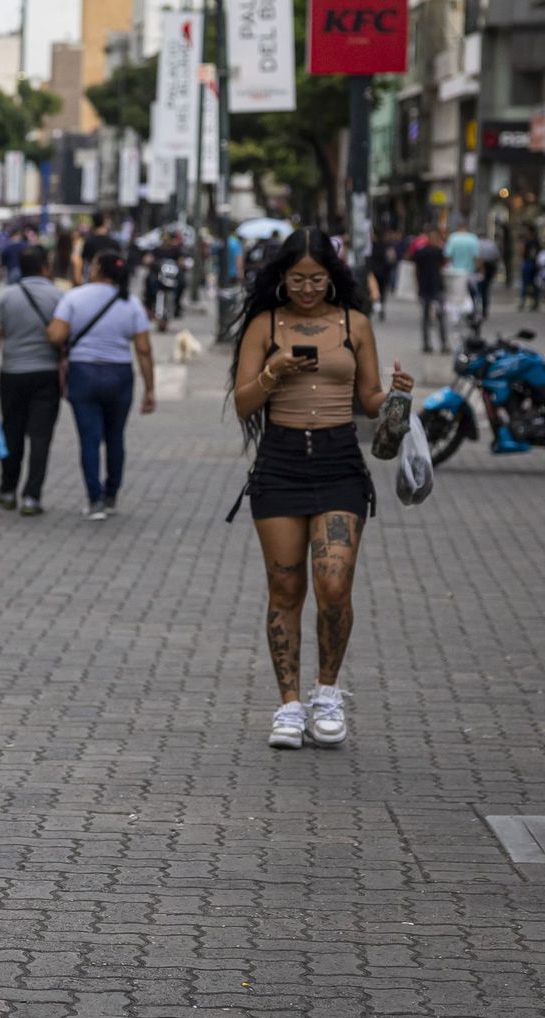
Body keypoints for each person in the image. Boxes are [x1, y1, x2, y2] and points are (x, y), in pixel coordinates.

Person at [226, 226, 414, 750]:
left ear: (332, 278)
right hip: (280, 465)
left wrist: (395, 398)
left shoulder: (355, 324)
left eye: (316, 279)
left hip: (338, 465)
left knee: (333, 587)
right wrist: (273, 372)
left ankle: (326, 692)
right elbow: (243, 404)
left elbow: (369, 398)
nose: (307, 289)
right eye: (297, 279)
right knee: (285, 589)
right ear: (281, 280)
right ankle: (288, 706)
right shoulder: (265, 325)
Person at [46, 251, 157, 520]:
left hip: (83, 374)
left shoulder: (74, 297)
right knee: (116, 437)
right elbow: (143, 350)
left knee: (90, 438)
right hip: (119, 375)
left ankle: (94, 501)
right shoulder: (130, 303)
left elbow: (56, 335)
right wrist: (150, 388)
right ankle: (111, 497)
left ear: (97, 268)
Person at [0, 246, 63, 516]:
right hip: (47, 376)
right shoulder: (59, 297)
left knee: (12, 433)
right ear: (45, 268)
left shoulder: (7, 297)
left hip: (12, 374)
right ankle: (32, 497)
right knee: (40, 437)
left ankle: (7, 490)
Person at [411, 228, 448, 354]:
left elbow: (415, 269)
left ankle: (429, 344)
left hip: (427, 287)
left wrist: (417, 284)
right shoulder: (438, 251)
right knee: (439, 317)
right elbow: (444, 264)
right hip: (434, 287)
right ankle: (441, 344)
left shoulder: (421, 252)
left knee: (428, 318)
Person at [444, 218, 480, 310]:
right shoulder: (473, 238)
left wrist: (446, 267)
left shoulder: (453, 238)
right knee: (472, 292)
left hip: (456, 272)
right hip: (470, 271)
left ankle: (457, 311)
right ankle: (473, 310)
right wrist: (479, 269)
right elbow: (476, 256)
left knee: (456, 294)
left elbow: (447, 255)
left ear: (458, 227)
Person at [78, 214, 122, 282]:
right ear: (104, 223)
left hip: (93, 281)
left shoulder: (88, 242)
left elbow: (83, 262)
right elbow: (119, 263)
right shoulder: (114, 243)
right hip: (111, 280)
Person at [476, 233, 501, 321]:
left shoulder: (477, 243)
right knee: (485, 290)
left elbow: (476, 257)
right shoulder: (491, 244)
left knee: (478, 289)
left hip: (480, 267)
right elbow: (497, 257)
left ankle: (476, 310)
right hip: (490, 267)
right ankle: (484, 311)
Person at [522, 226, 542, 312]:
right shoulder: (537, 241)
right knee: (535, 284)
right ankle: (535, 302)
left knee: (526, 284)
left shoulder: (527, 241)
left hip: (529, 264)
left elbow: (522, 251)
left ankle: (525, 301)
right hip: (535, 264)